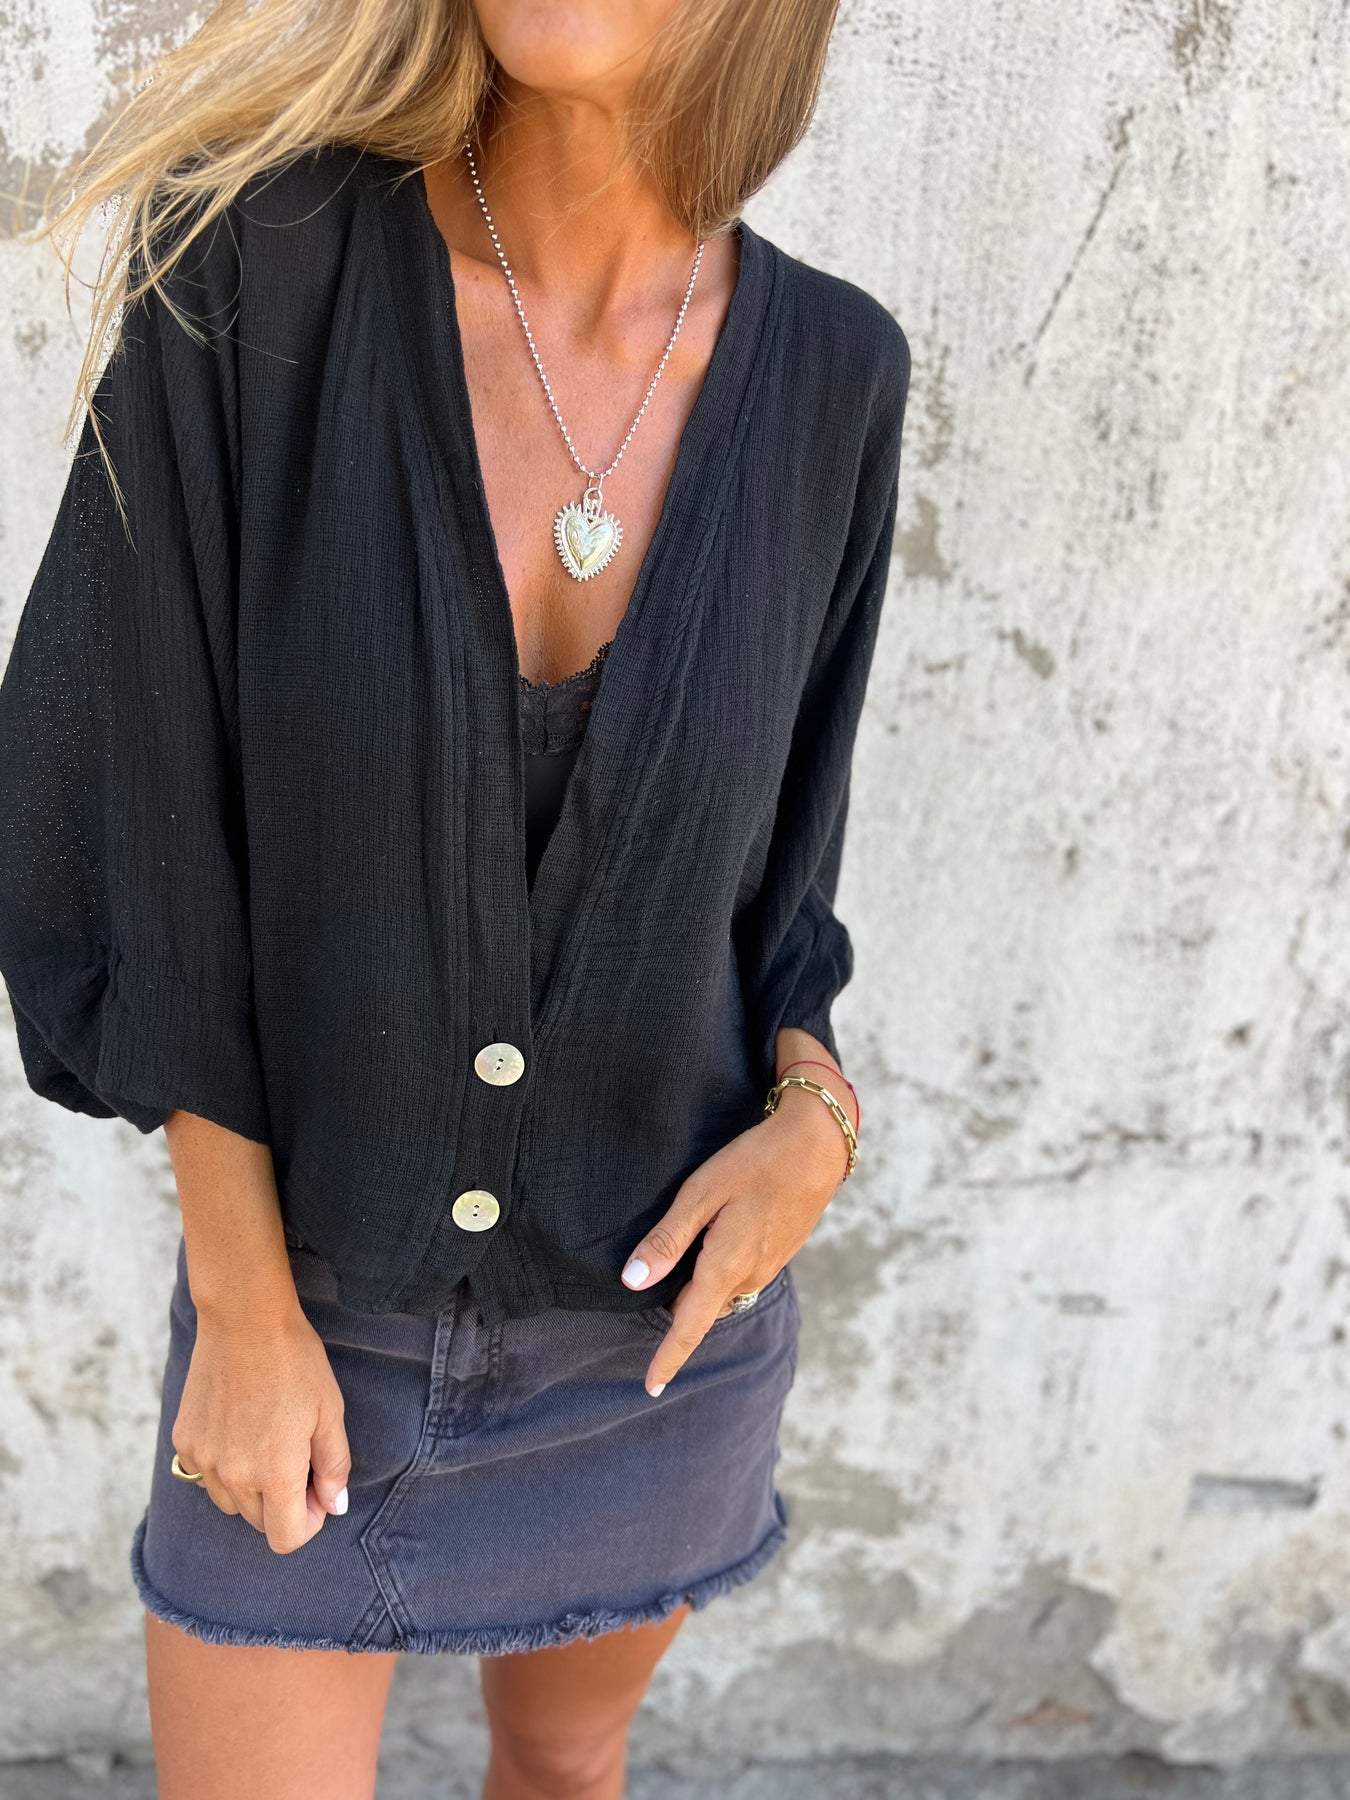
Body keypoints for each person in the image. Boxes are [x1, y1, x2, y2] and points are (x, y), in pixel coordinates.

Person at [0, 1, 910, 1794]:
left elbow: (783, 885)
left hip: (657, 1339)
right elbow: (137, 820)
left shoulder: (831, 372)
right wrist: (242, 1309)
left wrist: (816, 1118)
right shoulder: (252, 264)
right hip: (308, 1316)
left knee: (564, 1775)